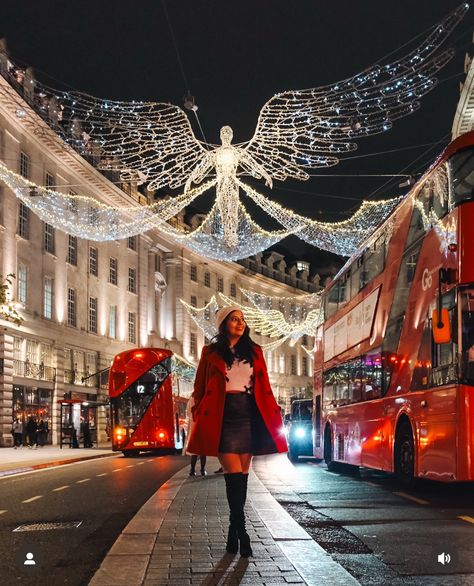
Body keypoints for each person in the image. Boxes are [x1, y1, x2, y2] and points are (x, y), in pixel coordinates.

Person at [188, 306, 287, 557]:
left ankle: (233, 531)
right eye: (234, 319)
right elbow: (199, 387)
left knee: (242, 477)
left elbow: (264, 385)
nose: (240, 323)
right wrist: (197, 410)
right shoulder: (210, 353)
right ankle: (242, 531)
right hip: (222, 415)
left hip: (249, 414)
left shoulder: (255, 351)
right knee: (233, 476)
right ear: (223, 325)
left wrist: (273, 409)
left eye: (242, 320)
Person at [185, 397, 207, 476]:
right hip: (202, 425)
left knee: (194, 451)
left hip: (193, 426)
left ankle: (192, 470)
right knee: (203, 451)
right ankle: (202, 470)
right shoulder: (204, 398)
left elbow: (187, 412)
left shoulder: (191, 399)